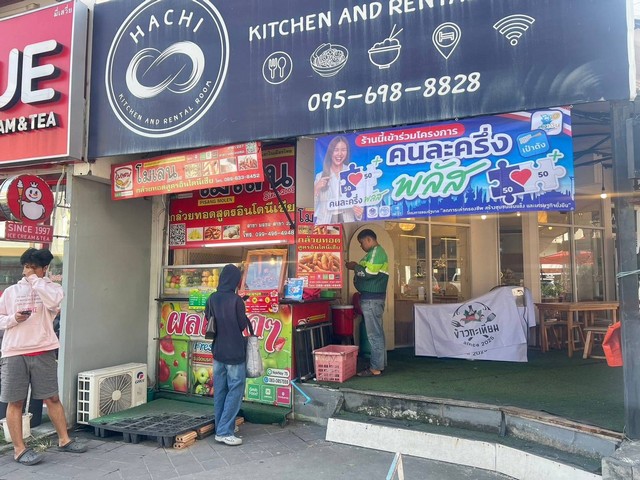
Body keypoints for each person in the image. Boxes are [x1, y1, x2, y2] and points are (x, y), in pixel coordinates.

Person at [0, 248, 87, 466]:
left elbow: (53, 303)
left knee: (52, 398)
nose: (28, 271)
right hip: (15, 352)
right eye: (26, 267)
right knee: (15, 401)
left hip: (44, 349)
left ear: (44, 268)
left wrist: (35, 281)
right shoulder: (10, 292)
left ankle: (64, 440)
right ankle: (19, 449)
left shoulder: (52, 289)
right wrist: (13, 319)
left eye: (33, 267)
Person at [205, 264, 249, 446]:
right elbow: (242, 325)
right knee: (235, 390)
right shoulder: (236, 300)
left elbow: (208, 318)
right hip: (234, 352)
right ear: (235, 281)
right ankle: (224, 432)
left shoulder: (212, 298)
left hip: (218, 351)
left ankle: (222, 425)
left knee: (220, 390)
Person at [345, 229, 389, 377]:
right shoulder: (373, 254)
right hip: (372, 299)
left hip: (372, 299)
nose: (361, 246)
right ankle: (380, 364)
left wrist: (354, 266)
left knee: (374, 335)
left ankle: (375, 368)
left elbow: (369, 273)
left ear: (369, 239)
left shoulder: (377, 252)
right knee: (377, 333)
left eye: (361, 242)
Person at [314, 135, 363, 224]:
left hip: (347, 222)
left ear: (347, 152)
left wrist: (359, 213)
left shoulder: (352, 173)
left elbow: (360, 202)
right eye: (336, 150)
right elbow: (313, 207)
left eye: (343, 150)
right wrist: (316, 189)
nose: (339, 154)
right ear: (330, 152)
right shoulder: (320, 176)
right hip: (325, 222)